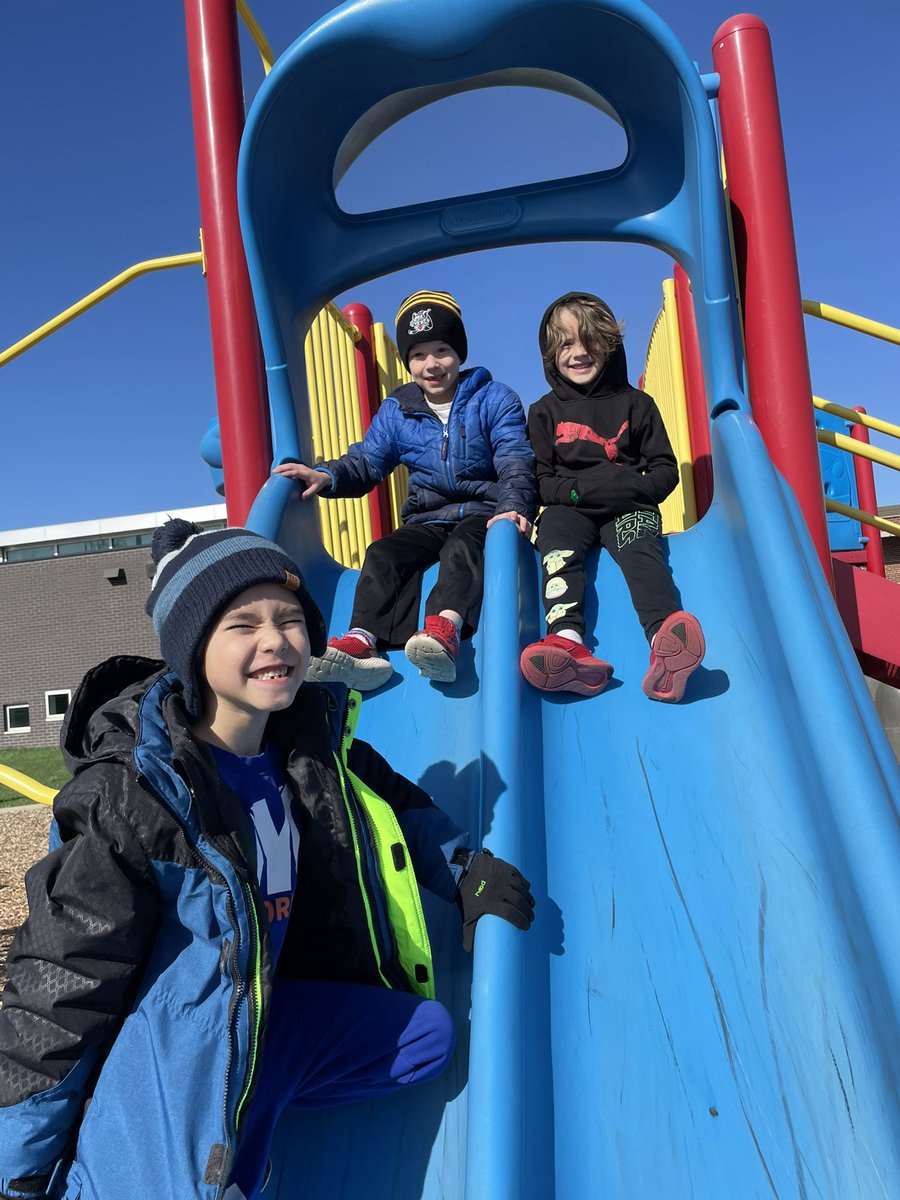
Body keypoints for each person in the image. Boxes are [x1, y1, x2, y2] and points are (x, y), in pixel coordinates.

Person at [0, 519, 534, 1200]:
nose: (276, 640)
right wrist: (15, 1164)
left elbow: (398, 806)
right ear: (192, 649)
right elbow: (61, 981)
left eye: (290, 620)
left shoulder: (306, 747)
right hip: (176, 1041)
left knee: (425, 1037)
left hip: (268, 1011)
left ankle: (259, 1091)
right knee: (187, 1180)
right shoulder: (135, 796)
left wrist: (463, 869)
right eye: (242, 625)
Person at [274, 290, 536, 688]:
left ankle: (443, 631)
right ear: (407, 361)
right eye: (418, 355)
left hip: (484, 512)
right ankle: (364, 641)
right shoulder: (399, 410)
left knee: (462, 549)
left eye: (442, 350)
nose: (431, 365)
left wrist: (513, 506)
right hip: (428, 517)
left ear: (460, 352)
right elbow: (368, 460)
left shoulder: (493, 398)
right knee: (384, 552)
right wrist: (326, 476)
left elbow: (515, 457)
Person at [520, 292, 705, 701]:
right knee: (557, 546)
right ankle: (567, 641)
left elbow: (664, 470)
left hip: (629, 506)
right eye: (566, 343)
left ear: (610, 344)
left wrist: (628, 487)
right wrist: (576, 490)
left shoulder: (637, 404)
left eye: (589, 340)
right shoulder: (544, 412)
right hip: (570, 508)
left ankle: (665, 639)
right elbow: (542, 481)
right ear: (550, 354)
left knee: (642, 552)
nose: (579, 352)